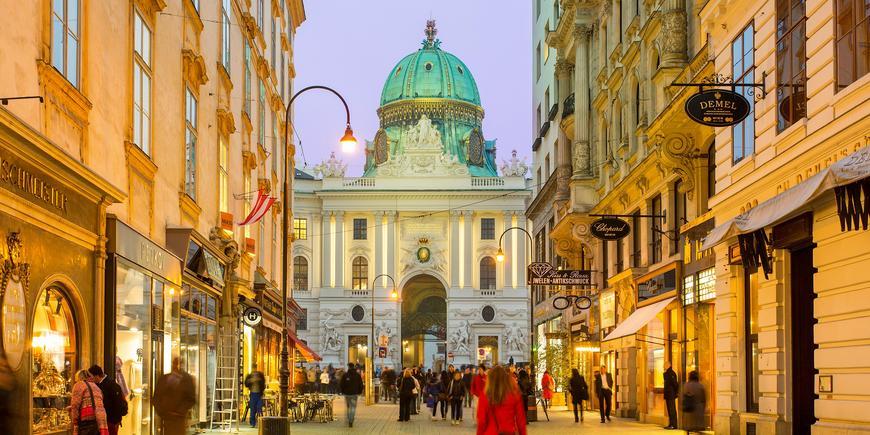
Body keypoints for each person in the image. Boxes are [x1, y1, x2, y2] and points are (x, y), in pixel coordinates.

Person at [475, 365, 527, 435]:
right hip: (508, 432)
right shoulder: (514, 394)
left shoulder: (485, 396)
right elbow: (520, 420)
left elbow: (481, 421)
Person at [153, 357, 196, 435]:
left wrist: (180, 411)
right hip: (166, 418)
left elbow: (191, 399)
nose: (177, 366)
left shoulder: (186, 380)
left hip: (178, 419)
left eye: (179, 364)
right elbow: (156, 398)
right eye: (175, 363)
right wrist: (162, 412)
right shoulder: (164, 378)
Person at [88, 365, 127, 435]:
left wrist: (114, 422)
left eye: (91, 376)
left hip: (111, 421)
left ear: (96, 376)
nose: (90, 379)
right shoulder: (99, 384)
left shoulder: (111, 385)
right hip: (105, 421)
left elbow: (118, 404)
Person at [69, 369, 108, 435]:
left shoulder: (79, 385)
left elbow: (75, 404)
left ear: (78, 377)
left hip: (86, 419)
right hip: (99, 419)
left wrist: (74, 420)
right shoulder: (96, 386)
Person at [339, 363, 364, 428]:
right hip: (354, 394)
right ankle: (351, 420)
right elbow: (361, 384)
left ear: (348, 367)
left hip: (347, 394)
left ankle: (349, 419)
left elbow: (341, 384)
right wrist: (359, 392)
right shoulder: (357, 375)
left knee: (348, 407)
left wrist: (343, 391)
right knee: (353, 407)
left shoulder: (345, 375)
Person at [663, 361, 680, 429]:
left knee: (672, 409)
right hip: (668, 394)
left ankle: (674, 425)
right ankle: (671, 424)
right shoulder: (667, 373)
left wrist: (676, 392)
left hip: (671, 394)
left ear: (668, 365)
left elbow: (675, 384)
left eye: (665, 365)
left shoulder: (671, 373)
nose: (663, 366)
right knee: (669, 410)